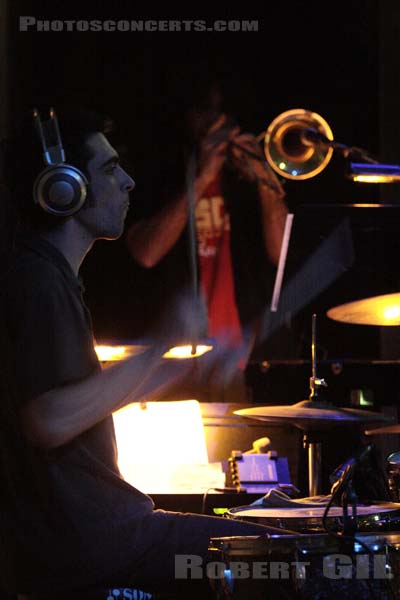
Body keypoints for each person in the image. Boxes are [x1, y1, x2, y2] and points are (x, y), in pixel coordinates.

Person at [0, 107, 291, 599]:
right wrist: (162, 340)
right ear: (63, 187)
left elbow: (77, 400)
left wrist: (173, 359)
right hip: (95, 543)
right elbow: (46, 420)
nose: (129, 182)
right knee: (295, 560)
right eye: (111, 169)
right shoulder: (38, 281)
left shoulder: (46, 276)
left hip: (102, 534)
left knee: (275, 549)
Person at [125, 83, 288, 403]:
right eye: (205, 110)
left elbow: (281, 253)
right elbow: (146, 253)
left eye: (223, 112)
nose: (217, 122)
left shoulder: (243, 180)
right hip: (173, 363)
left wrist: (264, 180)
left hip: (244, 360)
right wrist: (200, 178)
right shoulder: (163, 175)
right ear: (186, 117)